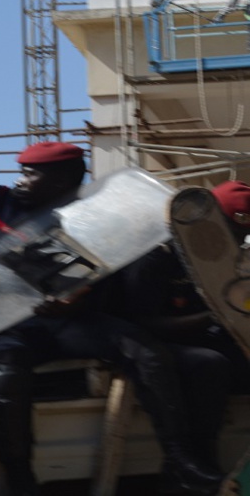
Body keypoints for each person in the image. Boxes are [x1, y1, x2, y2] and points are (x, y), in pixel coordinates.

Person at [0, 141, 224, 496]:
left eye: (30, 174)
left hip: (72, 323)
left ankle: (180, 460)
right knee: (7, 365)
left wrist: (76, 304)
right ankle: (19, 476)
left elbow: (106, 278)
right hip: (12, 325)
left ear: (62, 181)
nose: (19, 180)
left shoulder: (98, 217)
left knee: (145, 351)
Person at [116, 180, 250, 471]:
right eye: (233, 231)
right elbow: (142, 323)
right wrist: (214, 316)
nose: (238, 240)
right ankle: (199, 461)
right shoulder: (157, 255)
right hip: (152, 343)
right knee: (209, 364)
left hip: (205, 333)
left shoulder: (226, 255)